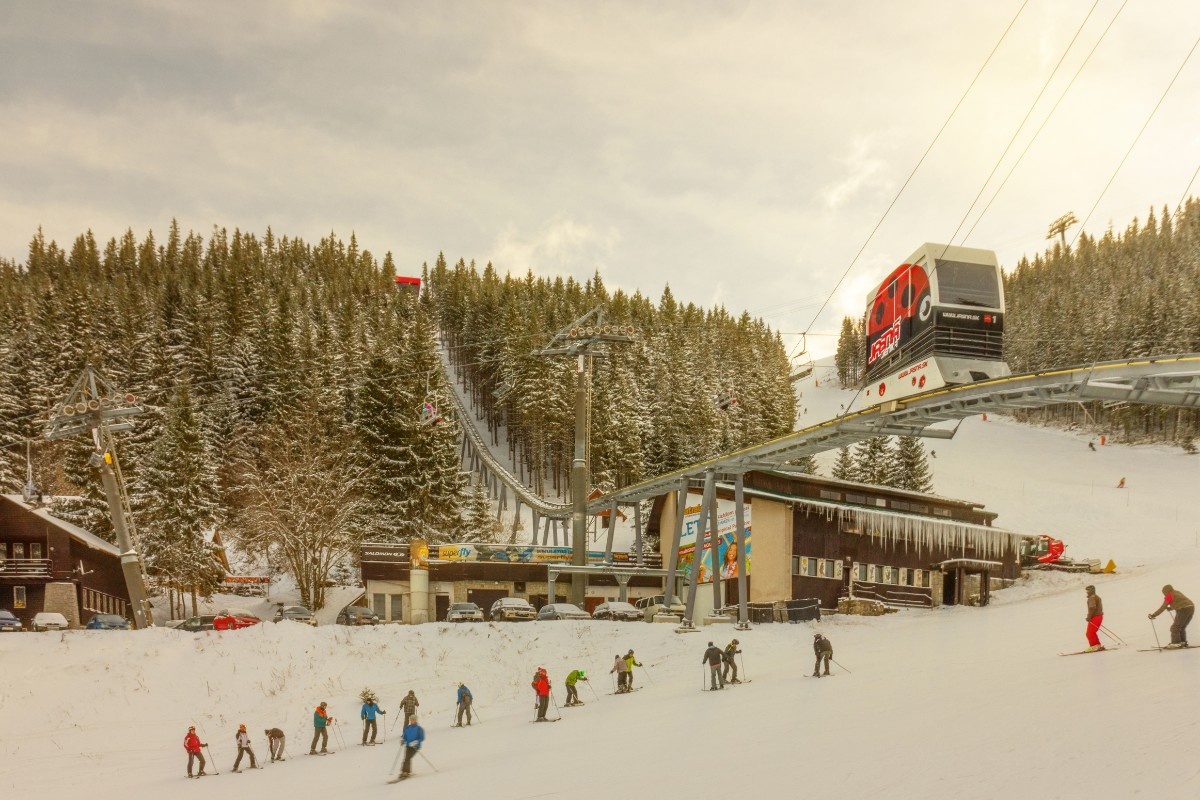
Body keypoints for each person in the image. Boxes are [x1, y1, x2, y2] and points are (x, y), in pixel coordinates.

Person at [397, 716, 425, 780]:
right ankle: (404, 771)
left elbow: (422, 738)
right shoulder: (407, 728)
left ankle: (406, 772)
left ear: (416, 720)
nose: (412, 720)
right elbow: (404, 736)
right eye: (411, 719)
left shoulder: (419, 728)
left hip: (415, 746)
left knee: (408, 758)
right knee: (406, 758)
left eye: (413, 719)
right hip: (408, 746)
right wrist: (403, 740)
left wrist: (416, 742)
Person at [1084, 585, 1104, 652]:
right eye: (1086, 590)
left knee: (1089, 633)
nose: (1087, 592)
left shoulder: (1092, 597)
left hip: (1095, 617)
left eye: (1088, 590)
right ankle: (1097, 645)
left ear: (1092, 590)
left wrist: (1089, 616)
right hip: (1099, 616)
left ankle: (1094, 646)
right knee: (1092, 632)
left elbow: (1092, 607)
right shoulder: (1096, 596)